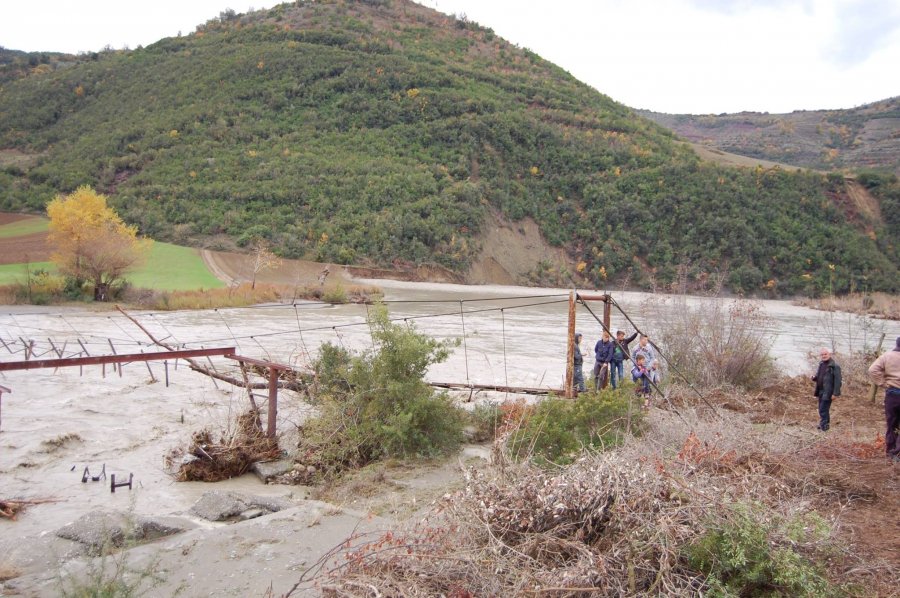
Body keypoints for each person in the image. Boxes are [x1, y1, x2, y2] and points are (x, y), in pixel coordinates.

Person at [868, 336, 900, 461]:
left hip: (892, 394)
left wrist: (883, 383)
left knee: (891, 424)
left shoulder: (887, 356)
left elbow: (872, 370)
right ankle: (898, 453)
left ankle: (890, 452)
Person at [811, 347, 842, 431]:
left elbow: (838, 381)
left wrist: (835, 393)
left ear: (830, 354)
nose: (824, 356)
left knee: (823, 409)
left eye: (825, 354)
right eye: (822, 354)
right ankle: (824, 424)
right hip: (820, 390)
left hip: (828, 392)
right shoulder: (821, 364)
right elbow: (819, 376)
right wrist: (814, 378)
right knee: (822, 408)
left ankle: (824, 427)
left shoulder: (834, 366)